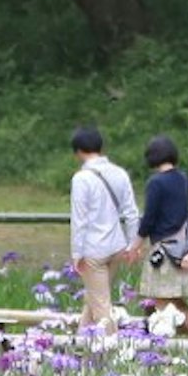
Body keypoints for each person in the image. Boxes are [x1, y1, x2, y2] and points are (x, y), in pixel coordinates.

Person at [66, 123, 141, 324]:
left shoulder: (81, 178)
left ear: (78, 151)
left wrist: (77, 254)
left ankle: (112, 350)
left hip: (93, 250)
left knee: (101, 306)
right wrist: (133, 244)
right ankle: (80, 345)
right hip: (117, 246)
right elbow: (132, 213)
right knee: (94, 300)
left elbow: (79, 219)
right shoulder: (119, 173)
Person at [134, 134, 188, 311]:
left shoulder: (155, 182)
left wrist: (136, 244)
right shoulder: (183, 178)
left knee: (162, 298)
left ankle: (175, 334)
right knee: (176, 299)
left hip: (164, 247)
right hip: (184, 245)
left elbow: (149, 217)